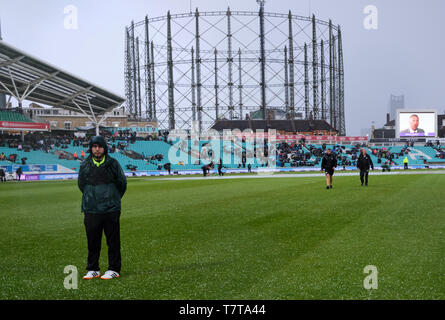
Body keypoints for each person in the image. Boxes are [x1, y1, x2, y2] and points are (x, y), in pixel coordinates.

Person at [78, 136, 127, 280]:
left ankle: (114, 269)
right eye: (94, 146)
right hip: (91, 209)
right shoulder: (85, 164)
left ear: (104, 148)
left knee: (113, 241)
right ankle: (93, 269)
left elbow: (122, 184)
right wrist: (91, 197)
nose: (97, 149)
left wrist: (113, 198)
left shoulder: (113, 163)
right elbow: (81, 185)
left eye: (99, 146)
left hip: (111, 209)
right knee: (92, 241)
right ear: (91, 148)